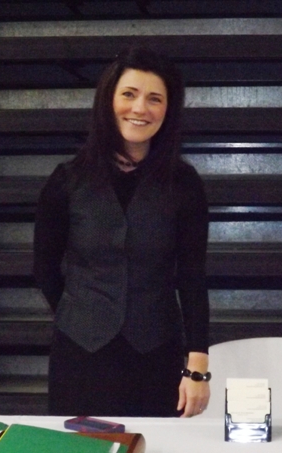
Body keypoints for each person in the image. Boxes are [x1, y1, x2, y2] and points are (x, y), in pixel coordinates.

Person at [33, 45, 210, 418]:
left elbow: (192, 277)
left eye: (154, 99)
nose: (140, 108)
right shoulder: (66, 180)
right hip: (80, 357)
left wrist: (197, 367)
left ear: (168, 110)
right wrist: (83, 311)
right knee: (81, 452)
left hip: (156, 355)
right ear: (108, 100)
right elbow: (44, 268)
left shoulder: (184, 183)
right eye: (129, 94)